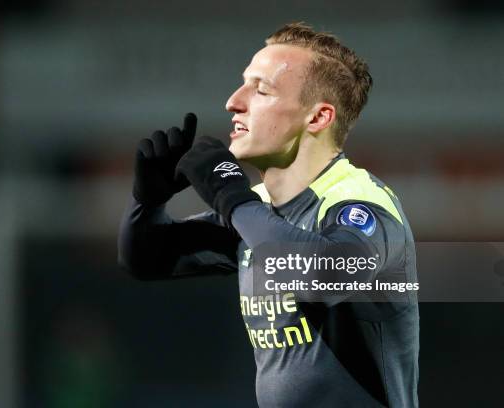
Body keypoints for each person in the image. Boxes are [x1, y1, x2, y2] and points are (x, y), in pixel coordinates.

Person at [118, 22, 419, 408]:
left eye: (261, 90)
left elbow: (323, 277)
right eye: (243, 84)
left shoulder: (359, 202)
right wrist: (148, 200)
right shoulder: (259, 210)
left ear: (317, 118)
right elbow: (145, 259)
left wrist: (232, 198)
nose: (233, 101)